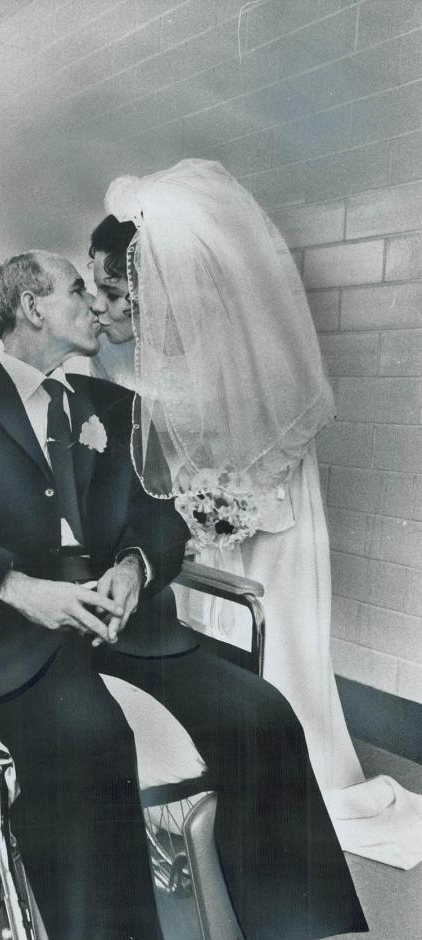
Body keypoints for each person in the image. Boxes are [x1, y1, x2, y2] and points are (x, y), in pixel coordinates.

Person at [0, 249, 417, 940]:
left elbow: (161, 520)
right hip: (21, 633)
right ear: (29, 307)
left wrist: (135, 566)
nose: (97, 306)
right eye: (76, 292)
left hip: (133, 627)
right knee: (90, 745)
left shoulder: (118, 409)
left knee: (263, 718)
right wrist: (19, 588)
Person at [90, 159, 422, 870]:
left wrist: (215, 512)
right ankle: (213, 773)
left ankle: (276, 778)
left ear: (151, 290)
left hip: (265, 531)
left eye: (114, 291)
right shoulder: (163, 352)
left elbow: (261, 469)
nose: (103, 307)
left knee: (276, 648)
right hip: (215, 533)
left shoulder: (229, 355)